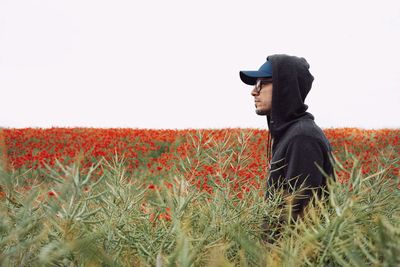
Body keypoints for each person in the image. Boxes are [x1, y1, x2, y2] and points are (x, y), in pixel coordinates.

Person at [239, 54, 336, 243]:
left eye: (262, 83)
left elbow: (298, 216)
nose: (254, 91)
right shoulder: (291, 134)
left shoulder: (302, 138)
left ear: (285, 88)